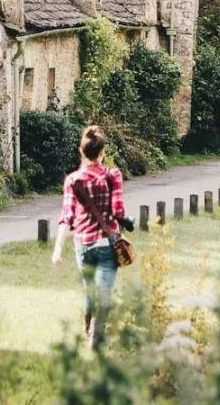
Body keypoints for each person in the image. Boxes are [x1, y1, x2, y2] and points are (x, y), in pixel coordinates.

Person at [51, 125, 125, 349]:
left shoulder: (72, 180)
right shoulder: (112, 175)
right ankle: (96, 339)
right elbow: (118, 211)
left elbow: (66, 216)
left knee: (90, 292)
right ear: (102, 152)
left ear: (81, 152)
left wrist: (57, 250)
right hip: (105, 243)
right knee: (104, 295)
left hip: (82, 244)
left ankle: (87, 330)